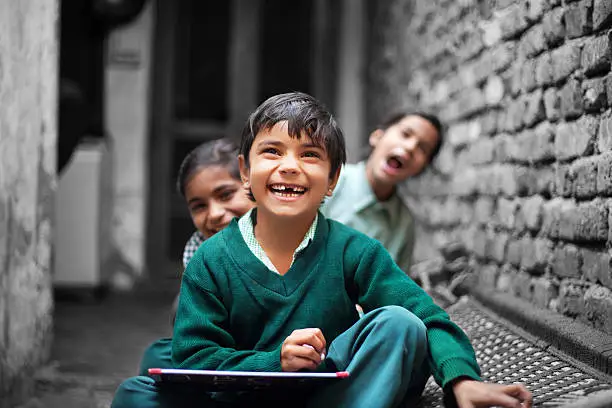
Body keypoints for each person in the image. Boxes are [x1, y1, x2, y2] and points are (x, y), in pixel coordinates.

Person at [111, 92, 531, 408]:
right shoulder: (211, 259)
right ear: (245, 171)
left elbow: (427, 317)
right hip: (240, 394)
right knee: (135, 395)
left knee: (399, 324)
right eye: (272, 151)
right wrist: (275, 361)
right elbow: (195, 357)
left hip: (328, 391)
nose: (290, 166)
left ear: (332, 182)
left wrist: (461, 381)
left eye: (310, 156)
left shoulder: (354, 250)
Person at [137, 138, 255, 376]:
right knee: (155, 358)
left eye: (225, 195)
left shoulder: (287, 241)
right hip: (221, 361)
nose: (214, 214)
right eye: (199, 206)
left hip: (279, 358)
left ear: (254, 186)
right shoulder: (201, 260)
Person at [321, 111, 443, 273]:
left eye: (423, 148)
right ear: (377, 137)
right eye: (406, 134)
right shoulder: (325, 183)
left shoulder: (404, 225)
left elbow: (393, 292)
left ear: (421, 169)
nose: (410, 147)